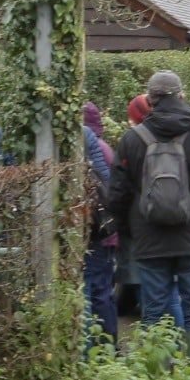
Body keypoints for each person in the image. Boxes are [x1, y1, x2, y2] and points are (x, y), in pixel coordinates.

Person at [108, 70, 190, 361]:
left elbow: (117, 195)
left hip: (150, 240)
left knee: (153, 310)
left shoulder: (132, 140)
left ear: (149, 100)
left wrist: (132, 230)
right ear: (181, 96)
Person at [82, 103, 119, 344]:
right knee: (102, 291)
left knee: (97, 292)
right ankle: (108, 344)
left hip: (100, 232)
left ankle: (106, 345)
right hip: (107, 232)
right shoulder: (103, 146)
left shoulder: (94, 148)